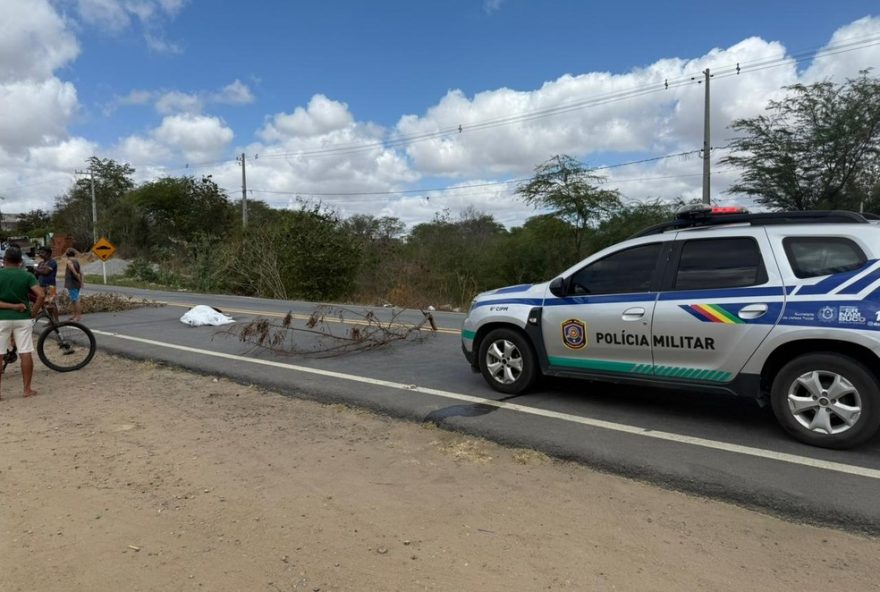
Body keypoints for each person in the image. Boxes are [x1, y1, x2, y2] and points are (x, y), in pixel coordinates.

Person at [0, 246, 44, 400]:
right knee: (25, 352)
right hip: (22, 319)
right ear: (20, 262)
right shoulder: (26, 276)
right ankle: (27, 389)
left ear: (4, 261)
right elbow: (41, 295)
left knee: (0, 354)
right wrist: (33, 312)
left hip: (1, 319)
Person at [64, 248, 83, 322]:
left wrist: (80, 281)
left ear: (67, 255)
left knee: (76, 300)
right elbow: (81, 272)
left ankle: (78, 316)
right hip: (75, 283)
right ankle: (74, 315)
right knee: (73, 299)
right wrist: (81, 282)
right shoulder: (76, 261)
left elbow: (74, 272)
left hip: (72, 283)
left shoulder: (69, 262)